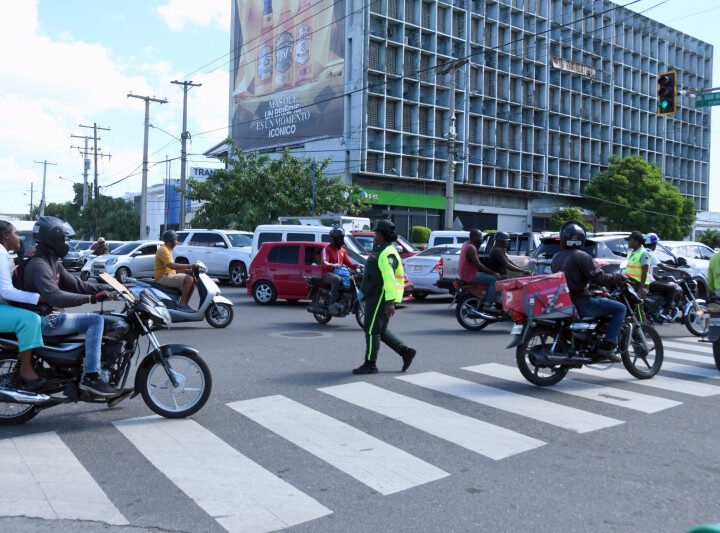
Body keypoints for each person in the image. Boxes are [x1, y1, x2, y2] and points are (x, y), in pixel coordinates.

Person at [21, 216, 116, 397]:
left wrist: (113, 287)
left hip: (48, 315)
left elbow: (78, 285)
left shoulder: (52, 261)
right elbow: (55, 297)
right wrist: (92, 299)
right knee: (95, 320)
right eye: (64, 239)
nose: (66, 243)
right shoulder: (39, 264)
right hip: (42, 319)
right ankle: (91, 376)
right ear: (54, 239)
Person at [551, 221, 626, 362]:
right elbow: (599, 278)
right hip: (581, 302)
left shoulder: (556, 257)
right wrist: (616, 277)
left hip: (565, 301)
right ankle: (608, 345)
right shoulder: (582, 256)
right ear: (582, 239)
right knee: (620, 309)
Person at [353, 219, 416, 375]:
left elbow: (389, 280)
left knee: (371, 329)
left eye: (375, 233)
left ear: (381, 235)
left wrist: (390, 303)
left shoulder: (387, 253)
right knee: (380, 330)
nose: (374, 235)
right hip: (375, 294)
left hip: (380, 296)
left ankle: (370, 364)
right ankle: (406, 351)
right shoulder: (381, 250)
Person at [0, 221, 44, 388]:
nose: (19, 238)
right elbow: (6, 291)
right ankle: (25, 368)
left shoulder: (4, 254)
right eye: (16, 233)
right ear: (5, 235)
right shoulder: (1, 254)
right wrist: (38, 298)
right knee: (30, 319)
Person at [644, 232, 689, 320]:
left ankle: (659, 307)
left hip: (645, 281)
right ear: (654, 244)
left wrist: (656, 277)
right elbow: (663, 267)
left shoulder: (642, 251)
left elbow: (645, 269)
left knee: (663, 285)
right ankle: (666, 312)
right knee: (672, 287)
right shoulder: (649, 253)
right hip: (648, 283)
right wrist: (680, 270)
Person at [458, 228, 501, 311]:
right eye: (480, 237)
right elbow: (478, 265)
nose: (482, 239)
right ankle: (488, 304)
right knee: (494, 279)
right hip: (470, 275)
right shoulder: (471, 248)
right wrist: (493, 272)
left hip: (464, 274)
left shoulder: (466, 244)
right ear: (474, 238)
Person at [155, 230, 198, 311]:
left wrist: (188, 270)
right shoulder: (163, 250)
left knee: (194, 280)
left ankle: (185, 304)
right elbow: (171, 265)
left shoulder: (168, 250)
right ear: (170, 241)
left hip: (168, 275)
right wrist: (189, 265)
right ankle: (182, 305)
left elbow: (172, 270)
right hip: (162, 277)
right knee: (189, 279)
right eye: (175, 240)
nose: (177, 241)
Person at [321, 227, 357, 315]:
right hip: (327, 273)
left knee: (354, 279)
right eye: (339, 238)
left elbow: (349, 263)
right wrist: (333, 265)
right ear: (333, 239)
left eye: (342, 238)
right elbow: (324, 262)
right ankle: (331, 304)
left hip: (340, 273)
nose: (341, 240)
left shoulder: (343, 251)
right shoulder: (327, 249)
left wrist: (359, 266)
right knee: (337, 279)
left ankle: (346, 301)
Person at [625, 231, 651, 297]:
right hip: (631, 283)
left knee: (639, 305)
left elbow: (644, 272)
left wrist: (641, 287)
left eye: (629, 240)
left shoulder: (643, 253)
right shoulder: (632, 253)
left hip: (640, 284)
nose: (628, 242)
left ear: (636, 241)